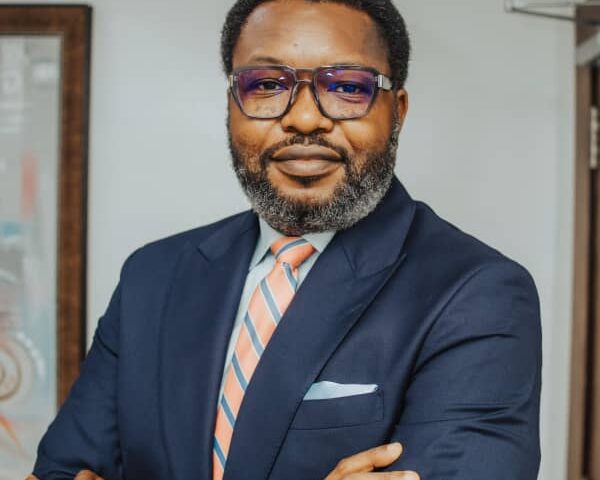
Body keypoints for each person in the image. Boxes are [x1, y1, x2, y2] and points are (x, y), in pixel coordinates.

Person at [29, 0, 542, 479]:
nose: (304, 118)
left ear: (397, 112)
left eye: (348, 87)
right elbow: (59, 470)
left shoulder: (478, 294)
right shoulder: (153, 276)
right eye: (268, 84)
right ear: (232, 104)